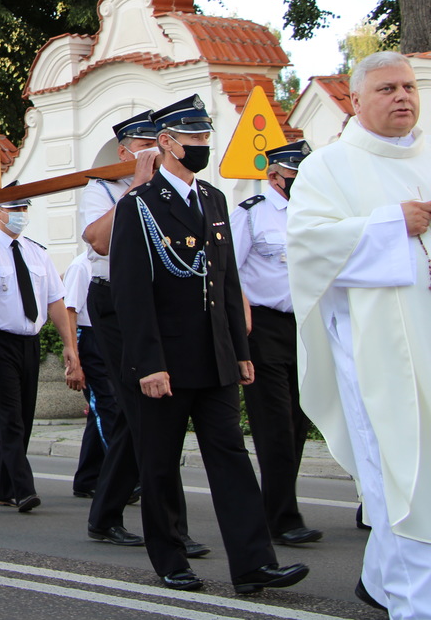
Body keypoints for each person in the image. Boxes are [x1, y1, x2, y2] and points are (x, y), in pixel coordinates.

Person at [110, 94, 308, 594]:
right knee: (159, 464)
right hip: (166, 363)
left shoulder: (215, 200)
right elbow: (132, 293)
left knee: (232, 461)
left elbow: (226, 281)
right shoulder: (139, 205)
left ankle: (254, 564)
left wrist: (240, 351)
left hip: (216, 357)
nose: (201, 145)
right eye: (192, 137)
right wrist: (149, 364)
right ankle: (171, 558)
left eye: (204, 136)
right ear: (166, 143)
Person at [286, 51, 431, 617]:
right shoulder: (329, 167)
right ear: (356, 100)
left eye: (409, 87)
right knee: (402, 473)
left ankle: (378, 579)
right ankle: (415, 603)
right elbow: (306, 249)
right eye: (388, 88)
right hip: (375, 354)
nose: (402, 97)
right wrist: (392, 223)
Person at [81, 110, 194, 553]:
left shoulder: (170, 190)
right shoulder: (104, 188)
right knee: (143, 410)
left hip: (158, 304)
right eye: (144, 145)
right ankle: (172, 531)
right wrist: (136, 188)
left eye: (158, 143)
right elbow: (101, 240)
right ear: (125, 151)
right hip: (113, 301)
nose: (154, 152)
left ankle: (106, 512)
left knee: (139, 414)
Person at [231, 140, 323, 548]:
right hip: (263, 326)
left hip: (303, 325)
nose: (300, 184)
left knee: (299, 422)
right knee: (275, 426)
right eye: (295, 177)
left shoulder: (313, 215)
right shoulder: (251, 215)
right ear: (274, 176)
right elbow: (226, 272)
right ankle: (281, 519)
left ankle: (280, 507)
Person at [0, 193, 82, 513]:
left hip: (29, 342)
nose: (20, 214)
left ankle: (4, 488)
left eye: (24, 208)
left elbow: (55, 302)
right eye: (14, 209)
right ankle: (24, 488)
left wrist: (69, 345)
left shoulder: (37, 253)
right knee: (10, 419)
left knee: (23, 417)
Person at [64, 252, 105, 498]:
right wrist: (75, 361)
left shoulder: (117, 260)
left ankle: (88, 478)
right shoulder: (82, 266)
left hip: (111, 339)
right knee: (106, 409)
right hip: (90, 338)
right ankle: (120, 473)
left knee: (102, 410)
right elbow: (70, 310)